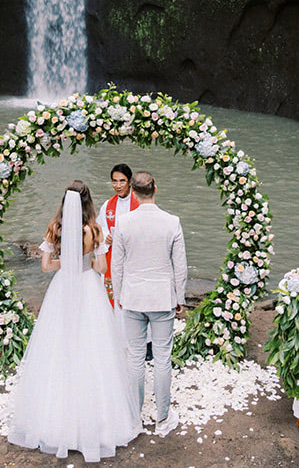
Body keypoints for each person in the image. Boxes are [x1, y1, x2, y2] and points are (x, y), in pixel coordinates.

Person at [8, 180, 142, 462]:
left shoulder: (55, 227)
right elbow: (101, 268)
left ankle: (53, 420)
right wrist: (84, 263)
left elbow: (45, 266)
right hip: (87, 286)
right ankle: (97, 421)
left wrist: (65, 263)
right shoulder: (94, 229)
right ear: (88, 201)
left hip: (62, 288)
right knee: (93, 345)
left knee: (58, 344)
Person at [111, 171, 188, 437]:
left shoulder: (123, 222)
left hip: (132, 297)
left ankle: (134, 418)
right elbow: (180, 266)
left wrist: (119, 295)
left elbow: (116, 264)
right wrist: (180, 298)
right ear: (156, 189)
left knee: (134, 358)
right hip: (161, 298)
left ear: (132, 191)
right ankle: (163, 418)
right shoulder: (172, 221)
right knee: (162, 358)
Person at [96, 164, 140, 306]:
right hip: (112, 254)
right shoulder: (107, 205)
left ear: (130, 182)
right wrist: (106, 235)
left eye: (122, 181)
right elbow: (100, 227)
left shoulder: (139, 203)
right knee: (112, 297)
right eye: (114, 181)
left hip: (132, 255)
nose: (118, 185)